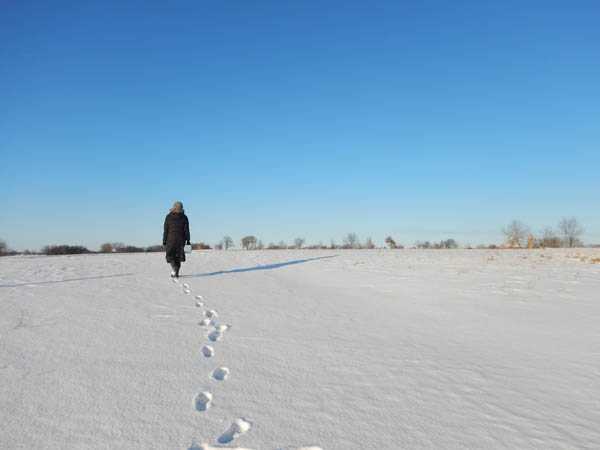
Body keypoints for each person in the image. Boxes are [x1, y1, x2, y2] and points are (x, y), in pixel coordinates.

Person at [163, 201, 190, 278]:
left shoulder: (168, 216)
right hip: (181, 240)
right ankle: (176, 272)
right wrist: (188, 240)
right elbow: (187, 230)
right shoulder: (184, 217)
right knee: (178, 256)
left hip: (170, 239)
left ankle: (174, 269)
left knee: (170, 255)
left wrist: (164, 241)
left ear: (173, 207)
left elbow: (166, 230)